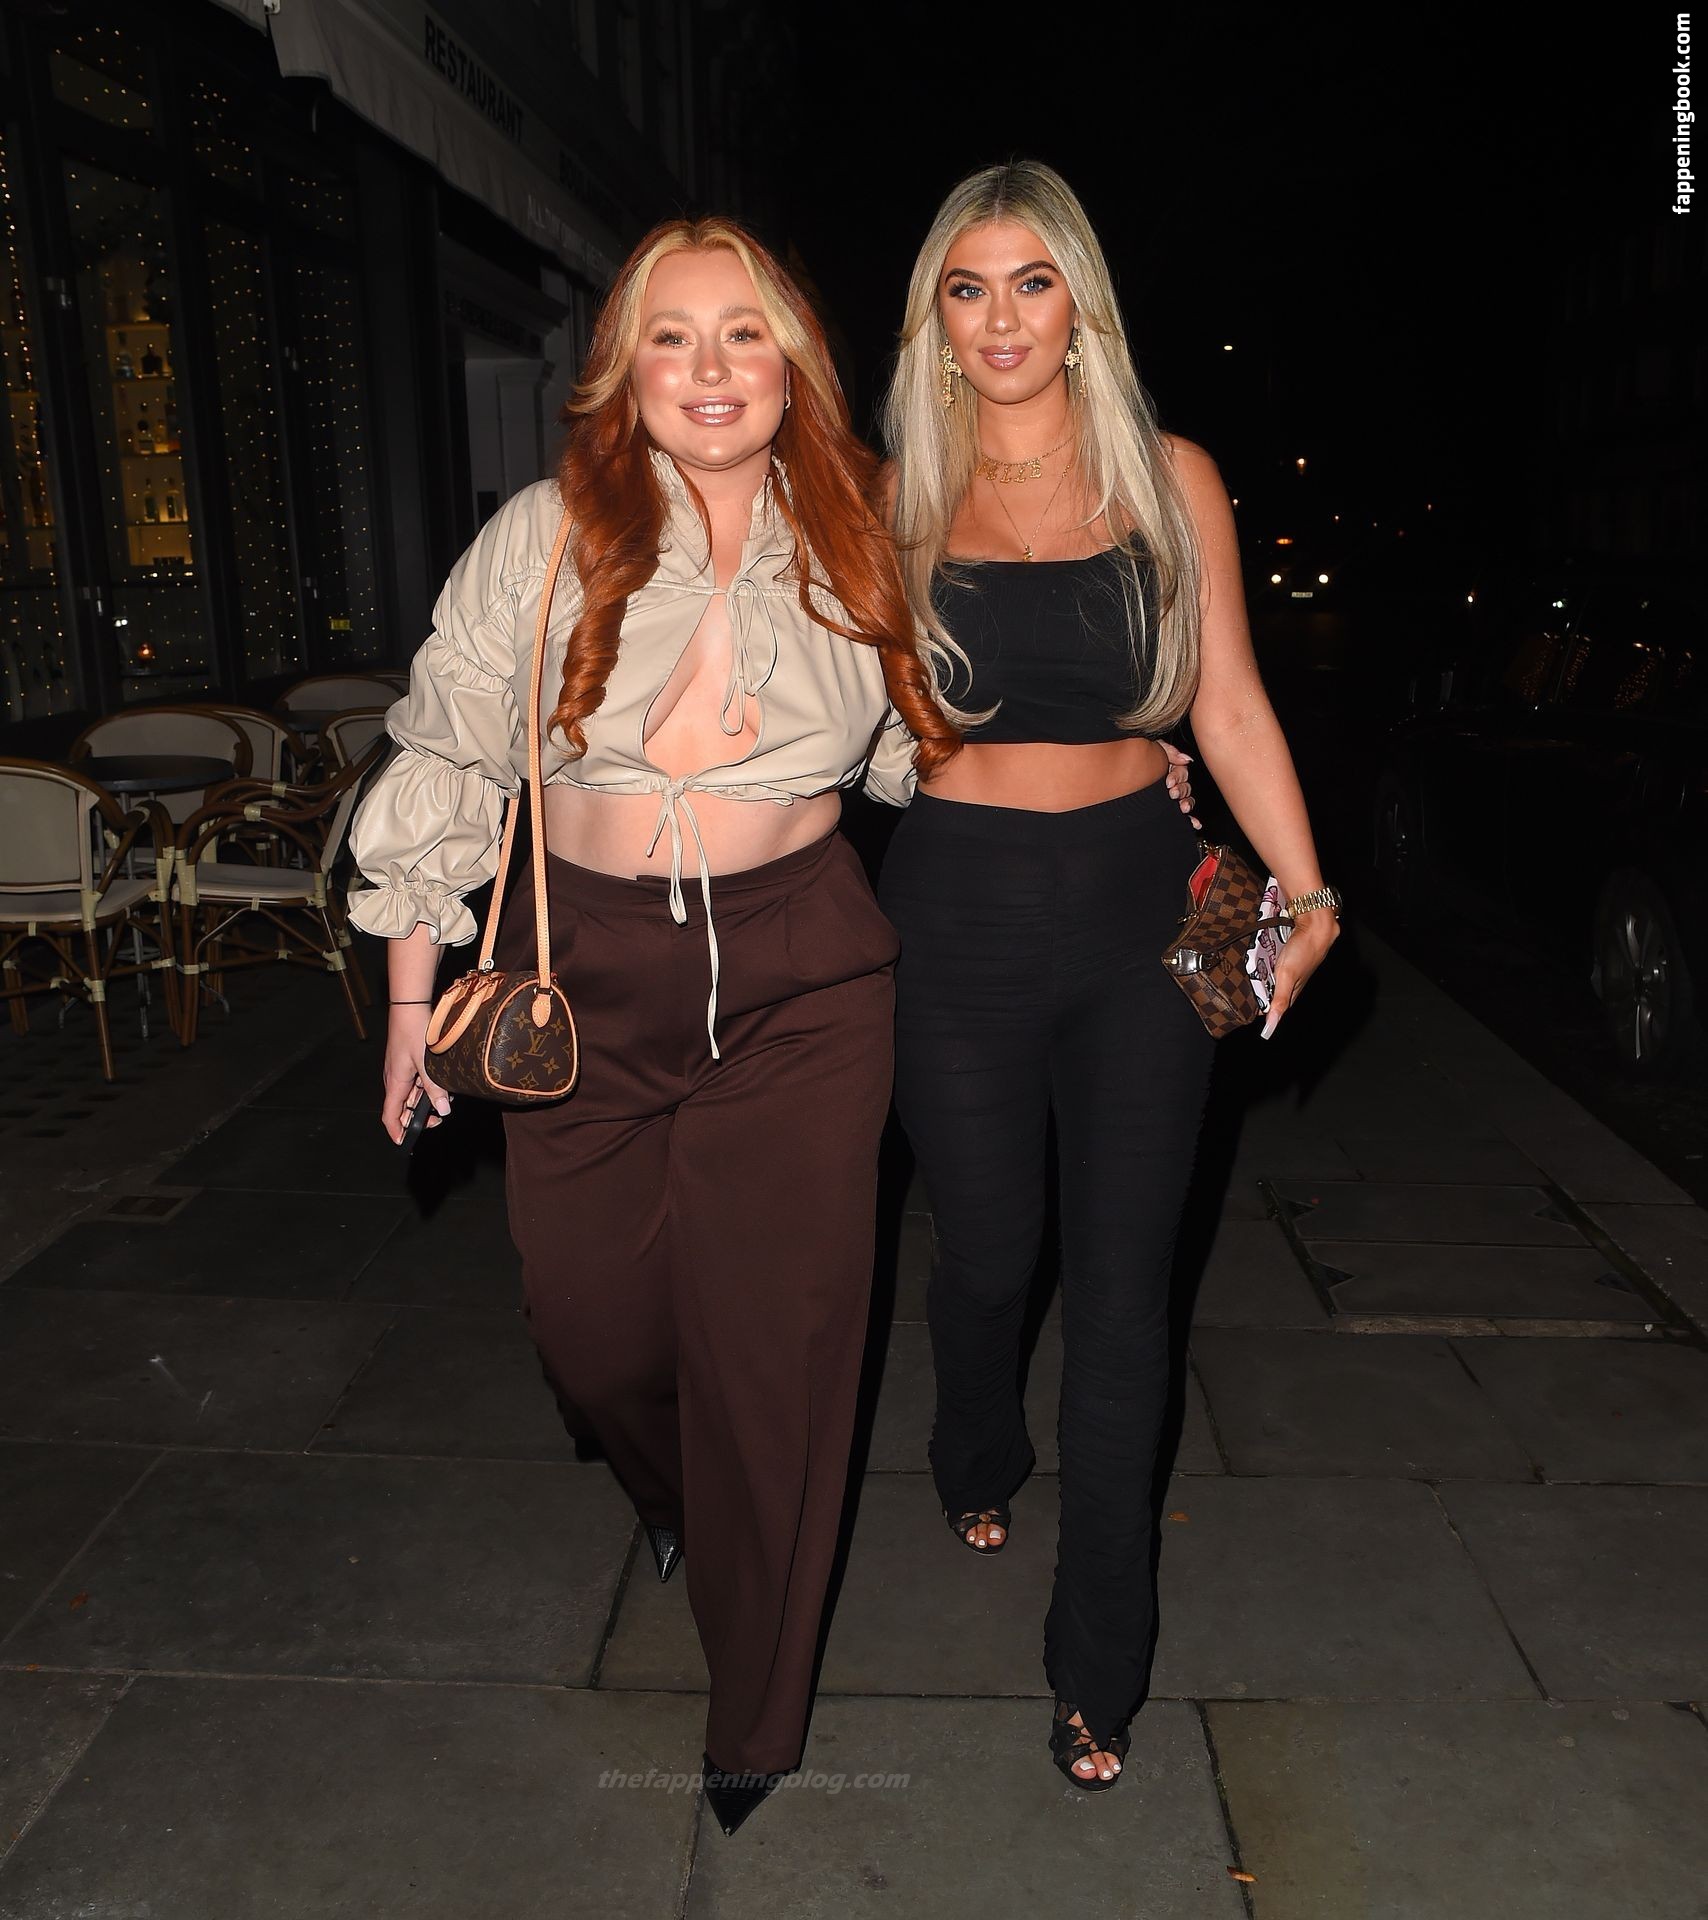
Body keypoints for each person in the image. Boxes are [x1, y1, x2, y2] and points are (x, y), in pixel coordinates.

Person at [344, 217, 958, 1836]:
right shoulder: (548, 532)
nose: (710, 368)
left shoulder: (878, 529)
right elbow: (448, 754)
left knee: (782, 1356)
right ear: (624, 369)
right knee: (591, 1329)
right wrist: (409, 999)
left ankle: (755, 1707)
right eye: (671, 336)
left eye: (744, 333)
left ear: (794, 364)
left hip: (804, 974)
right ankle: (671, 1488)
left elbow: (945, 751)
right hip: (585, 965)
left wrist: (1124, 768)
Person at [875, 160, 1341, 1791]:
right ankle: (972, 1438)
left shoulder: (1171, 474)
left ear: (1081, 304)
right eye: (968, 287)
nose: (1002, 318)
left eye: (1033, 282)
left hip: (1157, 894)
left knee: (1130, 1291)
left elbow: (1229, 703)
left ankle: (1099, 1665)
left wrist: (1304, 890)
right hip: (954, 904)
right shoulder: (895, 495)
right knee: (992, 1249)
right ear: (935, 319)